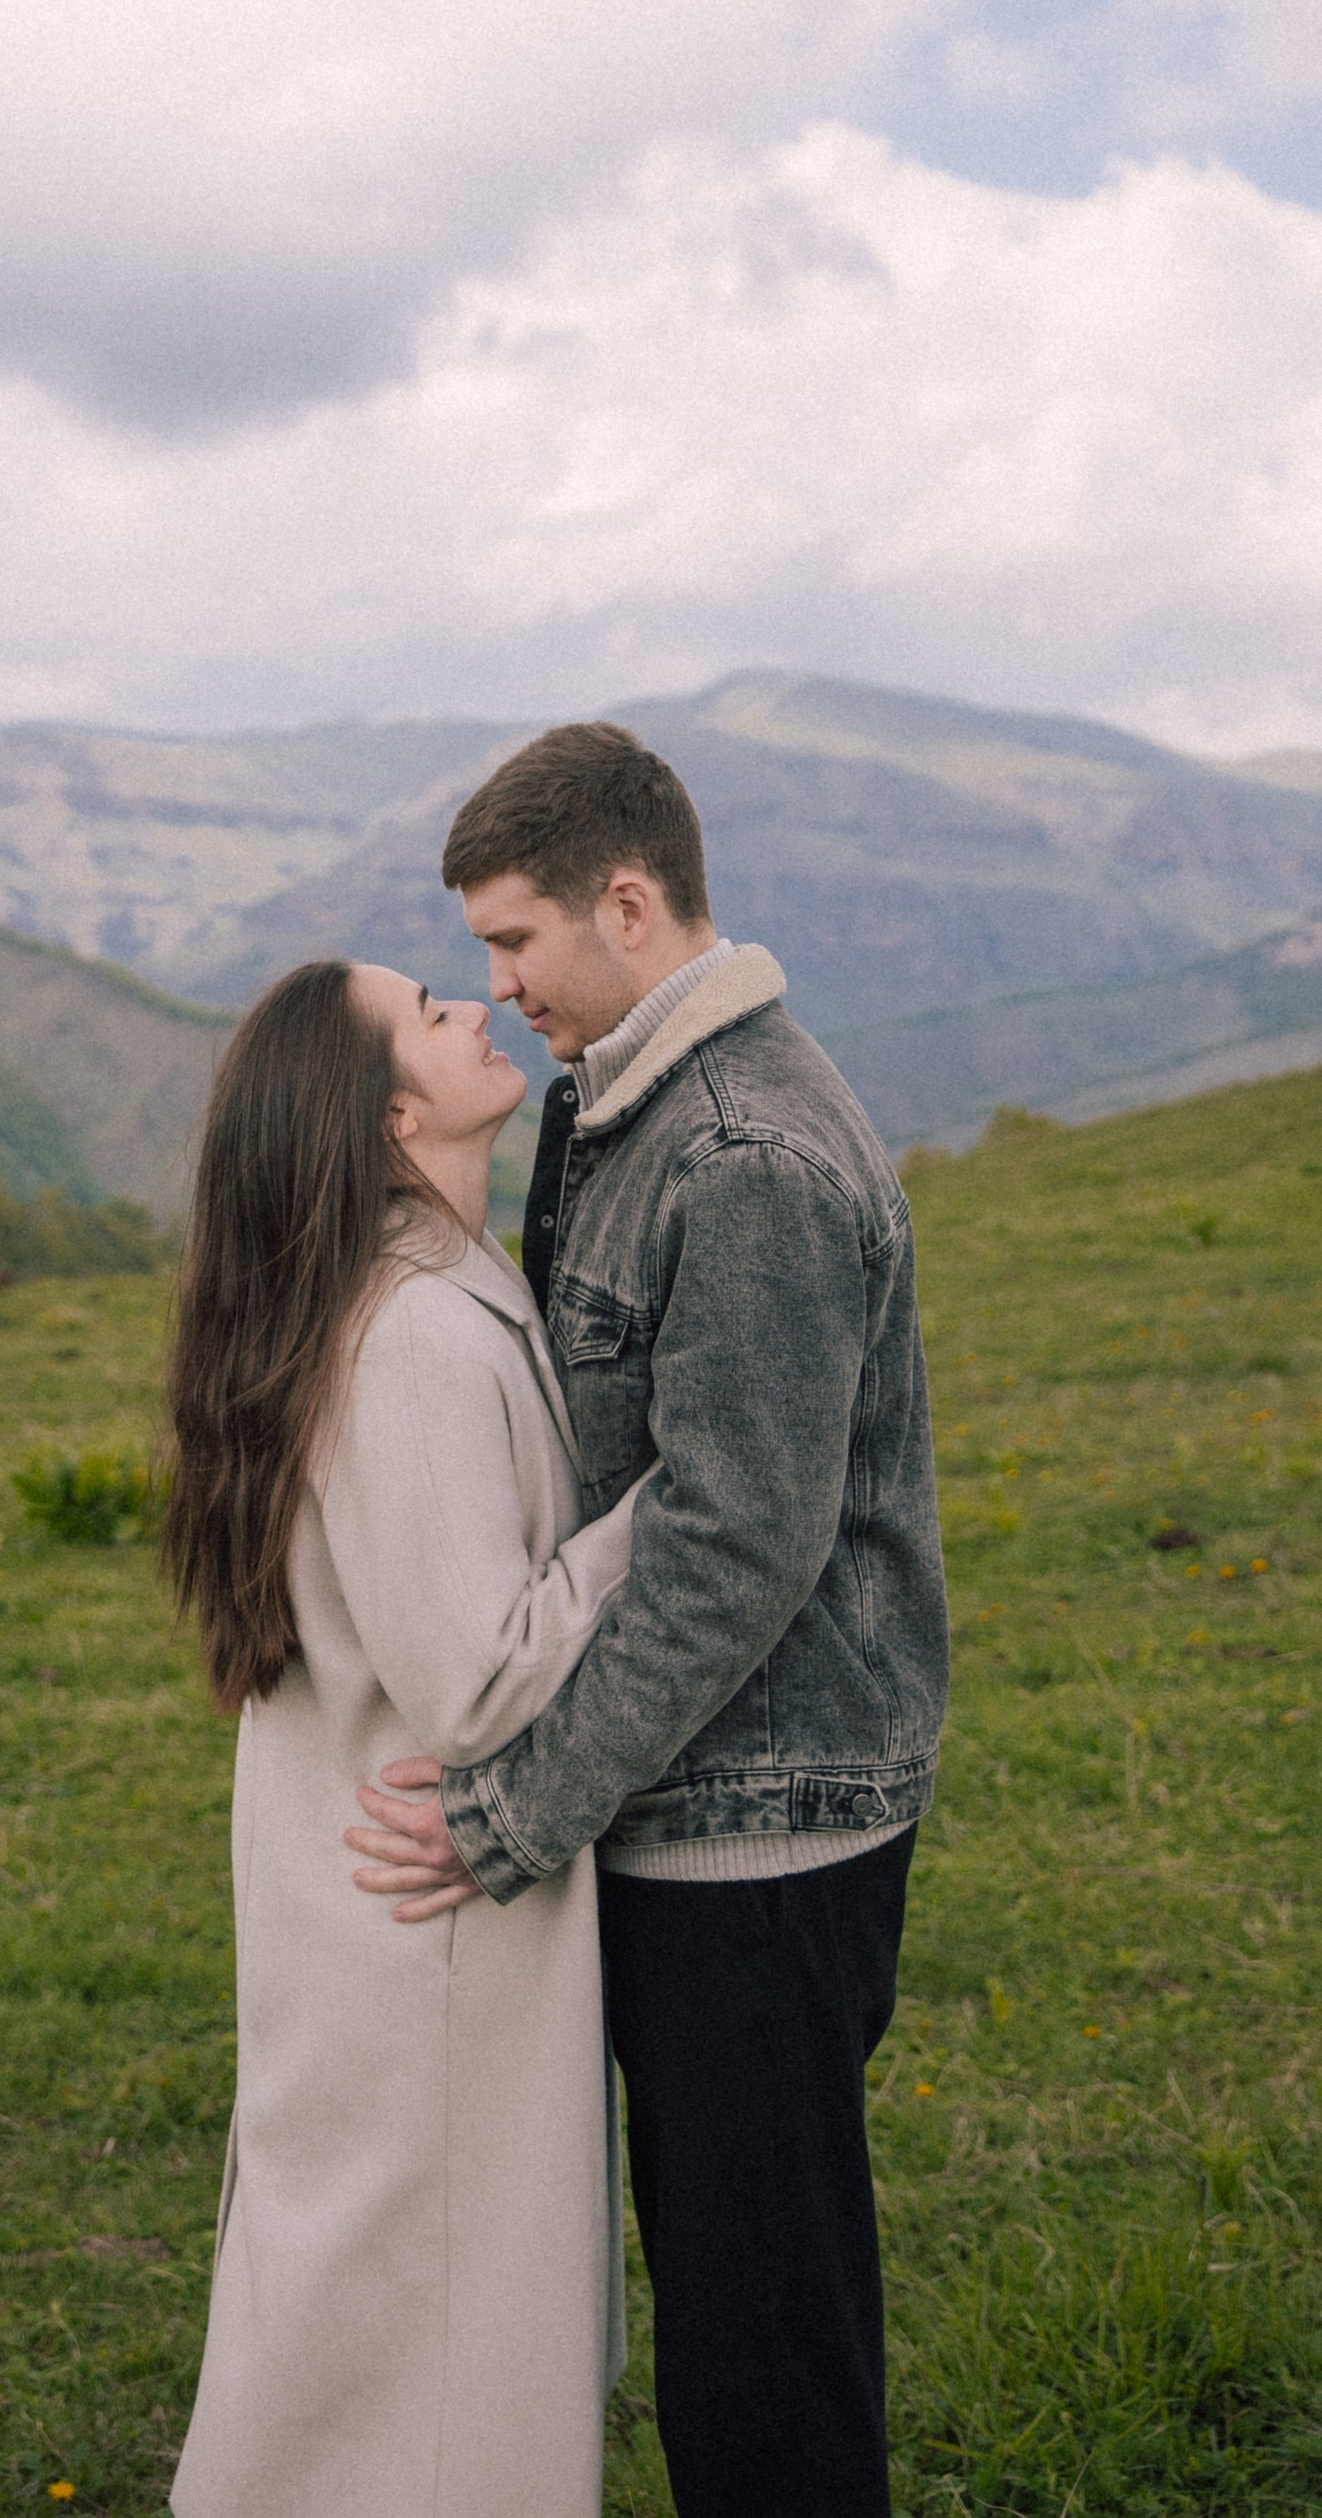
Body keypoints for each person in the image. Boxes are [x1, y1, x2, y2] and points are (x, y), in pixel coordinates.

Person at [345, 721, 951, 2518]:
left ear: (628, 901)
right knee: (725, 2304)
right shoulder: (628, 1095)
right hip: (699, 1808)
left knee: (763, 2349)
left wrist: (518, 1813)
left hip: (758, 1836)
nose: (499, 987)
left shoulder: (743, 1151)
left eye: (516, 943)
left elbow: (729, 1548)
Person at [162, 953, 648, 2518]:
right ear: (388, 1117)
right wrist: (674, 1511)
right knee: (431, 2360)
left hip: (360, 1917)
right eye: (436, 1011)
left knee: (358, 2333)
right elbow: (486, 1681)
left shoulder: (391, 1299)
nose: (480, 1009)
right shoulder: (414, 1339)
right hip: (424, 1940)